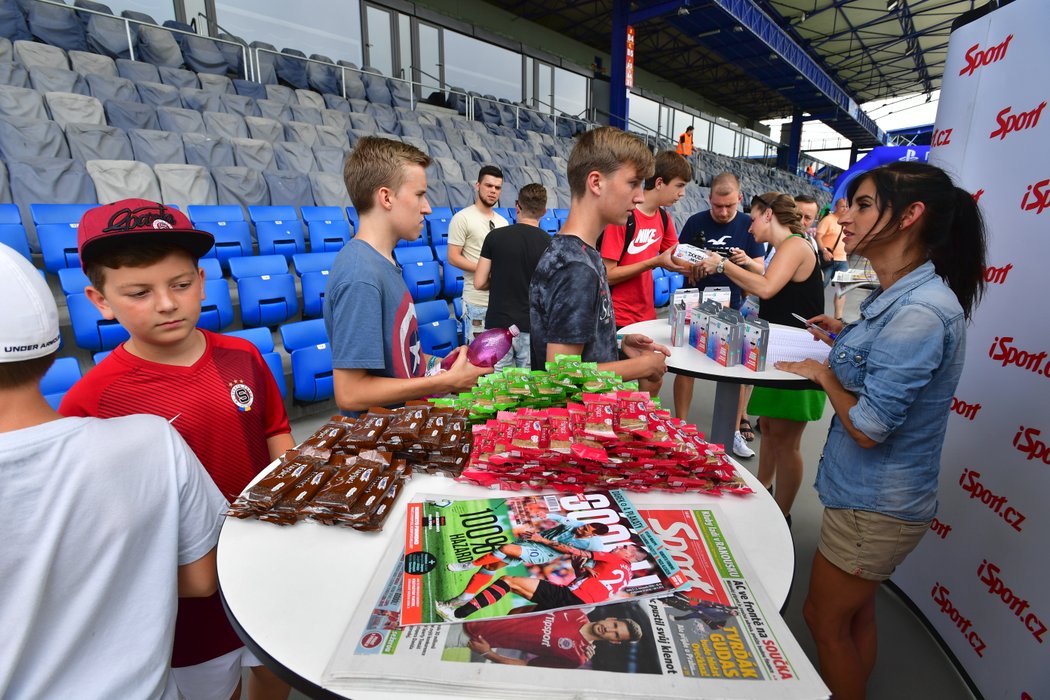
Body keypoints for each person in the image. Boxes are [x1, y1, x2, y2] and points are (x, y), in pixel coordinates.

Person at [58, 199, 293, 700]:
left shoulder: (244, 356)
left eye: (181, 285)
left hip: (263, 565)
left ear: (202, 283)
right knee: (215, 685)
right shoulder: (92, 401)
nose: (167, 303)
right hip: (185, 597)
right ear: (100, 300)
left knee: (276, 671)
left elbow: (275, 432)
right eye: (139, 292)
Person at [776, 162, 987, 699]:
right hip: (870, 499)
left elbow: (870, 428)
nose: (843, 216)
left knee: (823, 620)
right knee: (853, 615)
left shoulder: (919, 312)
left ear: (910, 216)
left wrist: (824, 374)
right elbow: (882, 366)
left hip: (876, 506)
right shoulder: (902, 298)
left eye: (863, 205)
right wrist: (843, 338)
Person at [0, 243, 227, 699]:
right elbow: (202, 577)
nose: (166, 303)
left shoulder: (231, 357)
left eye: (181, 285)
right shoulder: (149, 438)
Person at [323, 137, 491, 414]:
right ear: (386, 197)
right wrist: (448, 381)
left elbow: (399, 360)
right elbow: (350, 393)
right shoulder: (360, 275)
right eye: (419, 195)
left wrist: (438, 365)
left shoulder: (381, 263)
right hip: (378, 445)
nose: (427, 208)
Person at [698, 193, 826, 521]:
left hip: (798, 358)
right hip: (783, 354)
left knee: (786, 442)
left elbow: (766, 288)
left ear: (768, 215)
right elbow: (765, 289)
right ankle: (765, 490)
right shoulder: (787, 248)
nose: (750, 226)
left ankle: (781, 515)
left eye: (753, 218)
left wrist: (723, 265)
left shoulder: (796, 245)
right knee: (770, 429)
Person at [528, 126, 670, 383]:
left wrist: (618, 346)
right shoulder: (575, 268)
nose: (639, 197)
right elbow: (562, 376)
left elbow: (579, 349)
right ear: (596, 182)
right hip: (579, 420)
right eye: (633, 183)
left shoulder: (581, 254)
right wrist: (642, 366)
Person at [675, 172, 765, 458]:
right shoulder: (694, 222)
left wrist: (742, 263)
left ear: (740, 198)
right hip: (695, 303)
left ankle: (734, 430)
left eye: (729, 206)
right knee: (684, 367)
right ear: (709, 199)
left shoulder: (748, 224)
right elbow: (677, 258)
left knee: (734, 372)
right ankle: (680, 426)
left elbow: (760, 270)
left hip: (733, 306)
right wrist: (692, 266)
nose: (724, 212)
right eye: (717, 206)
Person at [601, 150, 692, 395]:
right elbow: (607, 274)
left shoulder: (664, 217)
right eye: (679, 185)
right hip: (616, 317)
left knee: (653, 377)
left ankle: (642, 425)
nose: (682, 194)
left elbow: (675, 256)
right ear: (660, 183)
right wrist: (652, 263)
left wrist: (707, 264)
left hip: (645, 315)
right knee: (613, 389)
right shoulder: (623, 218)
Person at [437, 542, 650, 620]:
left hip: (569, 597)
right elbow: (592, 585)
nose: (617, 547)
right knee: (514, 616)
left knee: (508, 581)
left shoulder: (612, 557)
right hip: (579, 607)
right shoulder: (627, 574)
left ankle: (456, 614)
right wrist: (579, 568)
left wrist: (541, 540)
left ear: (630, 555)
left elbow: (574, 550)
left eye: (624, 548)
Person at [443, 517, 610, 607]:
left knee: (506, 548)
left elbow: (591, 559)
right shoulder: (574, 524)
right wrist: (535, 528)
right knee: (490, 566)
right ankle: (463, 598)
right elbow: (551, 519)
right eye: (584, 525)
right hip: (533, 543)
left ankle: (470, 564)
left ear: (593, 535)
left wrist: (587, 566)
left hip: (544, 553)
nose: (580, 528)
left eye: (585, 529)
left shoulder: (594, 544)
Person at [473, 183, 551, 370]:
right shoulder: (551, 243)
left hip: (498, 324)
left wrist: (500, 280)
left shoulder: (494, 236)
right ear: (544, 211)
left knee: (496, 387)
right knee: (527, 388)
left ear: (517, 206)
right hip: (531, 326)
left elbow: (479, 282)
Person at [448, 165, 510, 341]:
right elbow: (453, 257)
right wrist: (484, 271)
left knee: (497, 360)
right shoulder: (462, 218)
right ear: (477, 186)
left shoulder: (503, 222)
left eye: (497, 188)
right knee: (476, 359)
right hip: (476, 301)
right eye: (488, 186)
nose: (493, 191)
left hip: (499, 301)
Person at [463, 611, 643, 667]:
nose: (609, 630)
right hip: (477, 617)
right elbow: (529, 609)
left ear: (614, 641)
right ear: (611, 619)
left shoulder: (577, 657)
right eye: (615, 626)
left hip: (472, 639)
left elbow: (526, 665)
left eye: (615, 634)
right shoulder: (575, 611)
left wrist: (487, 653)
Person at [817, 198, 849, 319]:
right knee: (820, 286)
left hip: (842, 260)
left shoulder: (847, 221)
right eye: (842, 206)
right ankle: (815, 312)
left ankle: (838, 317)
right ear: (836, 207)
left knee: (842, 289)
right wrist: (824, 250)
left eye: (847, 206)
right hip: (828, 260)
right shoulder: (828, 220)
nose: (845, 209)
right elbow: (818, 236)